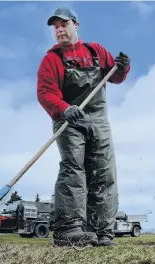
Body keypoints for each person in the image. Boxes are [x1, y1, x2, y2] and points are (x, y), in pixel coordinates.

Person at [37, 7, 130, 247]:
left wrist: (122, 67)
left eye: (63, 25)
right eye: (55, 27)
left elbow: (115, 77)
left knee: (104, 171)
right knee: (74, 169)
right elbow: (45, 93)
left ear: (75, 25)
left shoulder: (95, 51)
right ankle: (69, 229)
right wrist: (64, 108)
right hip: (69, 118)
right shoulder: (52, 59)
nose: (59, 30)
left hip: (98, 117)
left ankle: (102, 231)